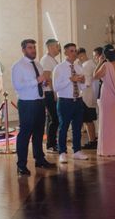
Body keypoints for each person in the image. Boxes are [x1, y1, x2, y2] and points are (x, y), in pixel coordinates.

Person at [11, 39, 55, 175]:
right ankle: (21, 165)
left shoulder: (38, 64)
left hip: (39, 101)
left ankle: (40, 159)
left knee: (39, 133)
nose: (33, 50)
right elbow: (18, 85)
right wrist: (36, 80)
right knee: (25, 134)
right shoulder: (18, 66)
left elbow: (40, 83)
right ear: (23, 50)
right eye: (30, 48)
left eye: (34, 48)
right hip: (27, 103)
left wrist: (44, 83)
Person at [52, 43, 89, 164]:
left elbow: (83, 86)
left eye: (75, 51)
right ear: (66, 53)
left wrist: (83, 81)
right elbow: (56, 87)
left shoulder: (79, 67)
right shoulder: (59, 68)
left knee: (77, 127)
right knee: (64, 127)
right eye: (72, 51)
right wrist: (70, 80)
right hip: (65, 101)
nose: (75, 53)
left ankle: (77, 151)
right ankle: (62, 152)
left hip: (78, 101)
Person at [95, 44, 115, 157]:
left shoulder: (106, 65)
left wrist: (99, 62)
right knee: (114, 121)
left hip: (107, 95)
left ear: (105, 54)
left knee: (106, 122)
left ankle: (108, 149)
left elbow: (95, 75)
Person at [40, 38, 60, 154]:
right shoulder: (46, 60)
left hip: (51, 92)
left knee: (52, 119)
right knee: (55, 119)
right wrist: (55, 93)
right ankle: (51, 144)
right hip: (49, 92)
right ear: (51, 47)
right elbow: (47, 78)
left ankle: (51, 143)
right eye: (57, 46)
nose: (59, 49)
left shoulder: (52, 59)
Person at [77, 48, 97, 150]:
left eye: (78, 57)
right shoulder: (91, 64)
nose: (78, 59)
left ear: (81, 55)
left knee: (88, 120)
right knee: (88, 120)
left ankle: (92, 140)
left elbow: (86, 82)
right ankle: (92, 139)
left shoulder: (87, 65)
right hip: (90, 95)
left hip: (86, 96)